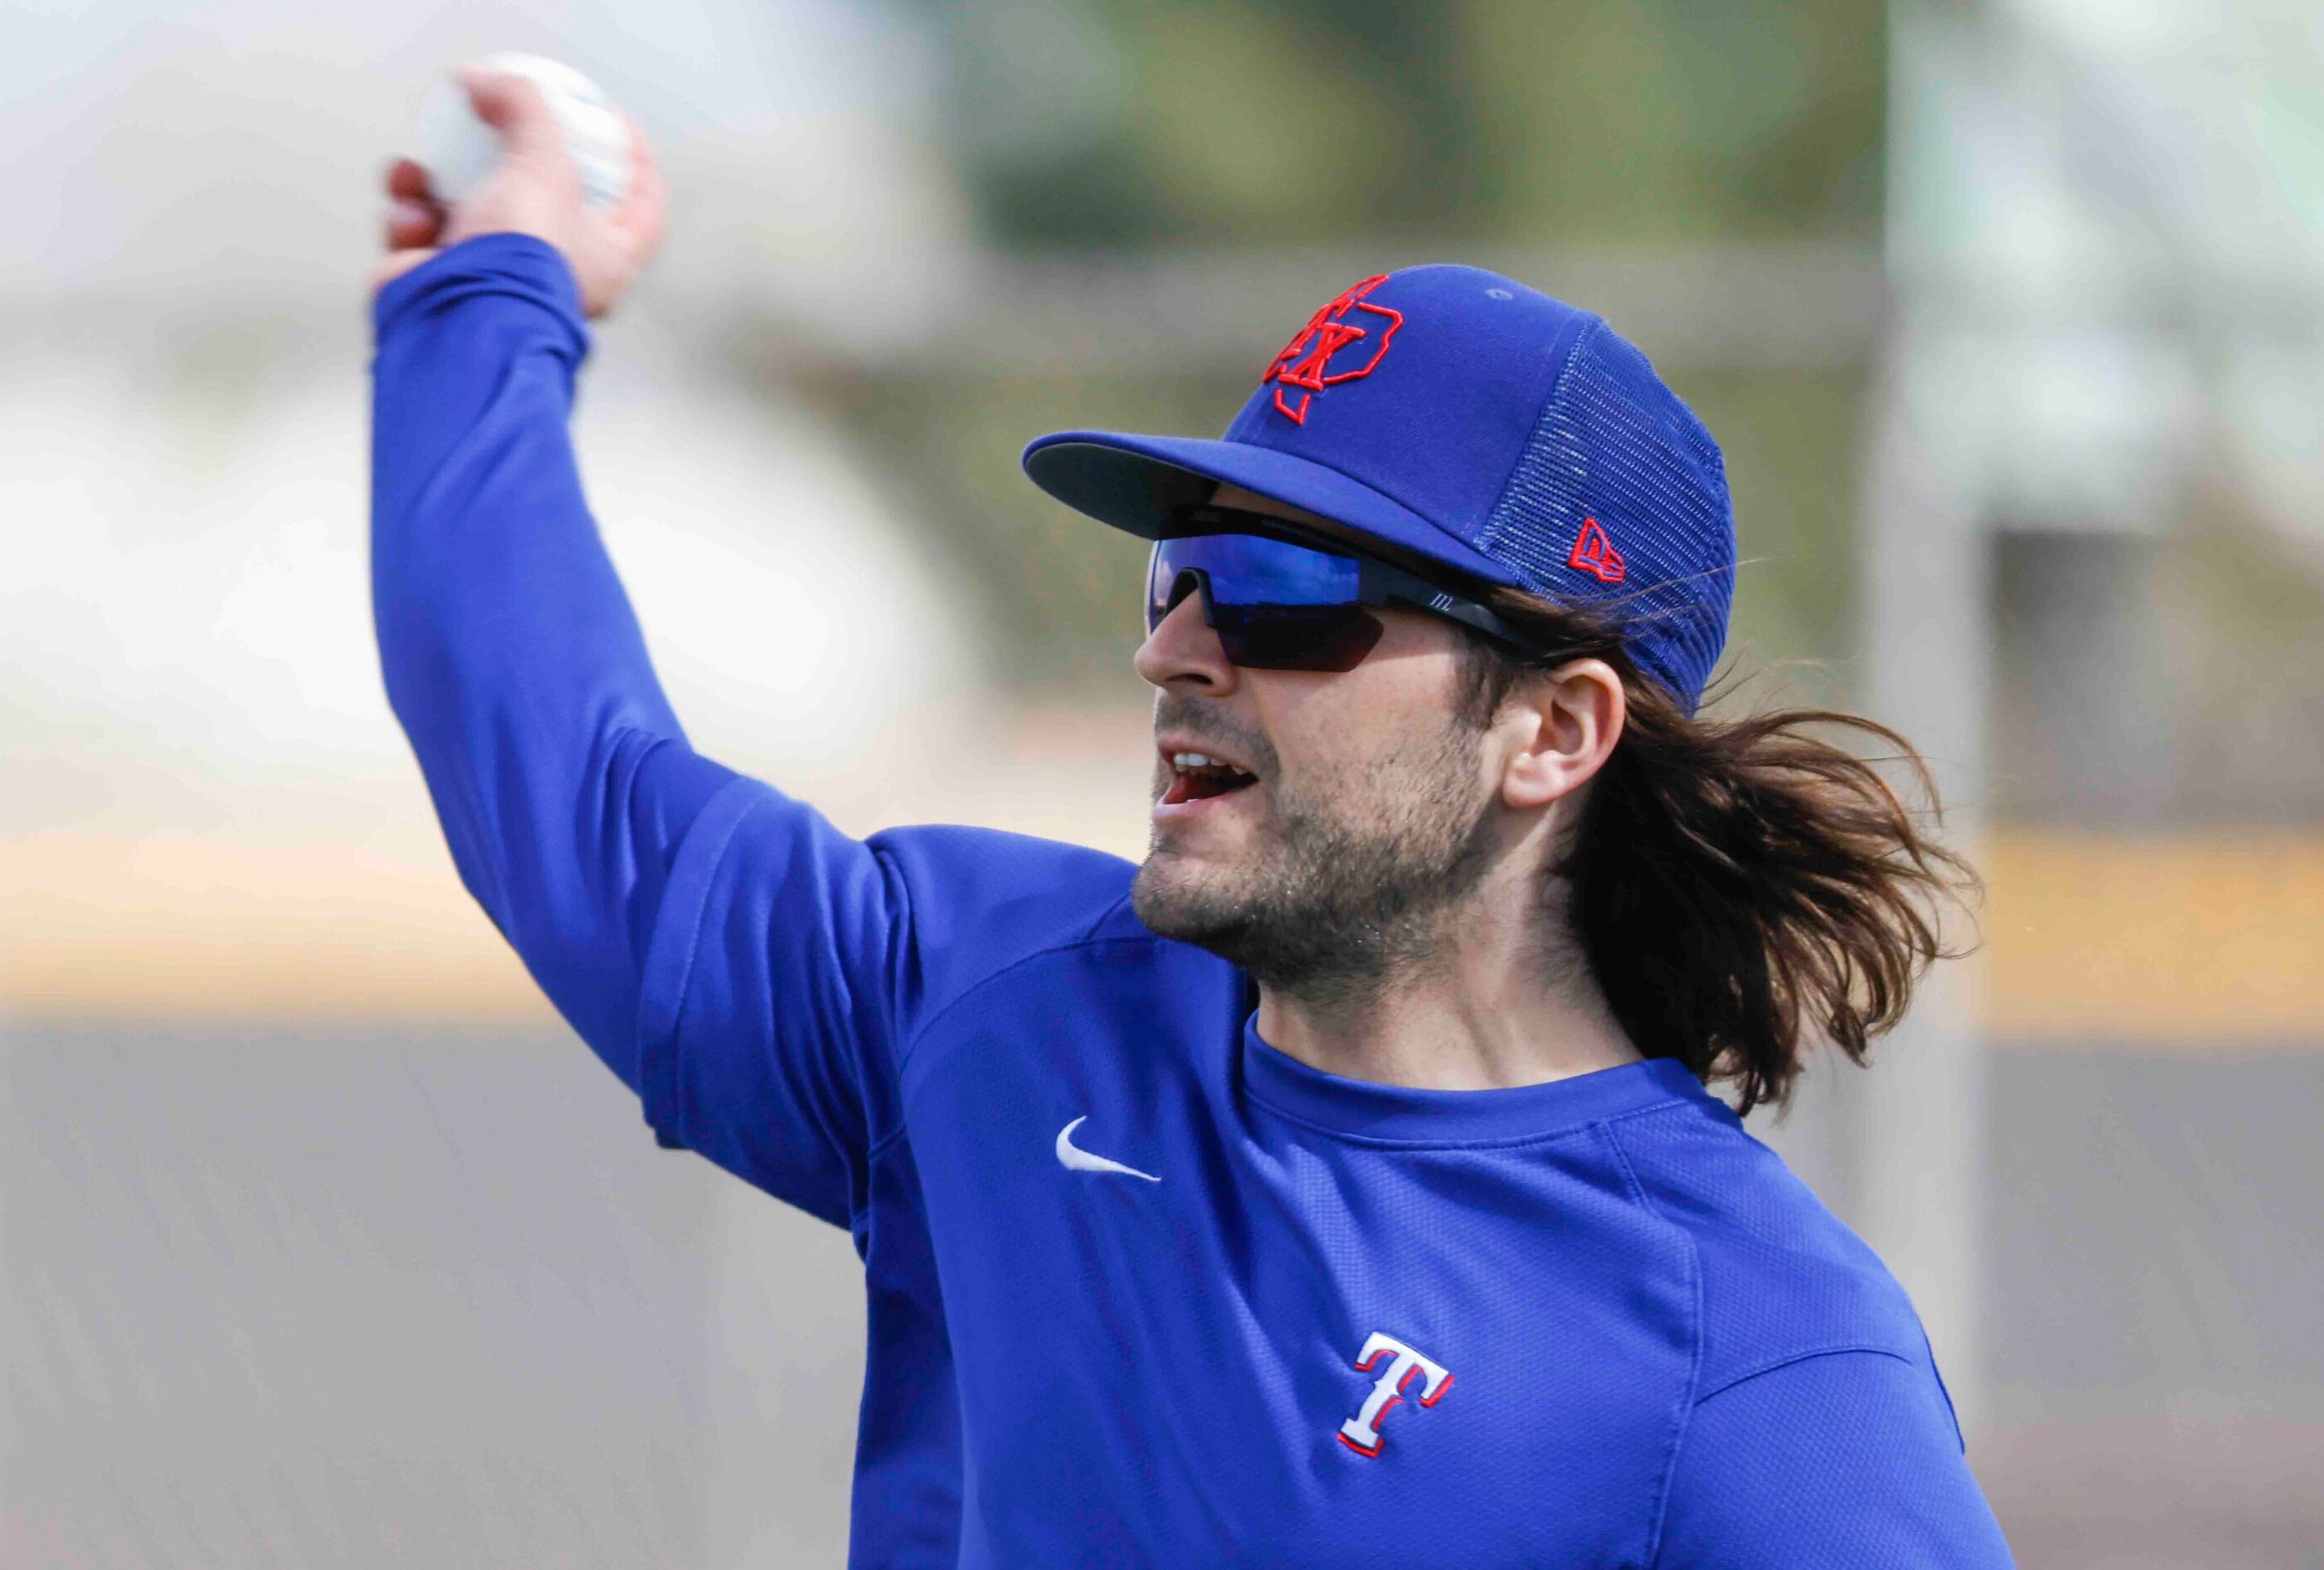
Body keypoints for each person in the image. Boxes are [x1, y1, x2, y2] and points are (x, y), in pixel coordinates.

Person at [372, 66, 2016, 1567]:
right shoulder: (990, 1009)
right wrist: (482, 305)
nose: (1174, 649)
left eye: (1285, 590)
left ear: (1551, 731)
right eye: (1179, 570)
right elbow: (563, 775)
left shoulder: (1753, 1359)